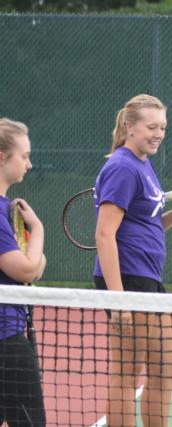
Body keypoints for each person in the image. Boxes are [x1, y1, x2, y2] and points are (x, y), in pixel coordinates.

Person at [94, 94, 172, 427]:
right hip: (128, 279)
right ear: (130, 127)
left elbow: (151, 225)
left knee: (162, 368)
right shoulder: (122, 167)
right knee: (127, 373)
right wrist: (118, 300)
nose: (159, 134)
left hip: (148, 278)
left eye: (163, 127)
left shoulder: (143, 164)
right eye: (151, 127)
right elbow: (105, 234)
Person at [0, 118, 47, 427]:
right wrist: (38, 227)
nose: (29, 164)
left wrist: (33, 263)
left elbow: (34, 268)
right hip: (6, 342)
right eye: (24, 156)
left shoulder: (5, 208)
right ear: (2, 157)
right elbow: (29, 268)